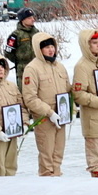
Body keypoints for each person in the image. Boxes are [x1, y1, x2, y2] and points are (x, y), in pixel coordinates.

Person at [22, 31, 71, 176]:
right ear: (39, 49)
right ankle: (47, 179)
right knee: (47, 155)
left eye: (52, 46)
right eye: (46, 47)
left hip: (61, 117)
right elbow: (30, 98)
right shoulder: (32, 68)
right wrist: (49, 112)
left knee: (58, 154)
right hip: (44, 119)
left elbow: (68, 89)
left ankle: (57, 177)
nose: (51, 50)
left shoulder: (59, 67)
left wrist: (71, 108)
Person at [72, 29, 98, 178]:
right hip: (92, 116)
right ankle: (96, 178)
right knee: (94, 152)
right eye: (94, 43)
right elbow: (78, 94)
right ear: (86, 45)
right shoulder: (81, 66)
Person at [6, 8, 38, 90]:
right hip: (23, 69)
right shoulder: (15, 35)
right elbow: (8, 52)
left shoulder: (36, 32)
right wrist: (20, 61)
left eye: (33, 17)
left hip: (37, 66)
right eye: (29, 18)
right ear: (22, 20)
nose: (33, 20)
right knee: (25, 90)